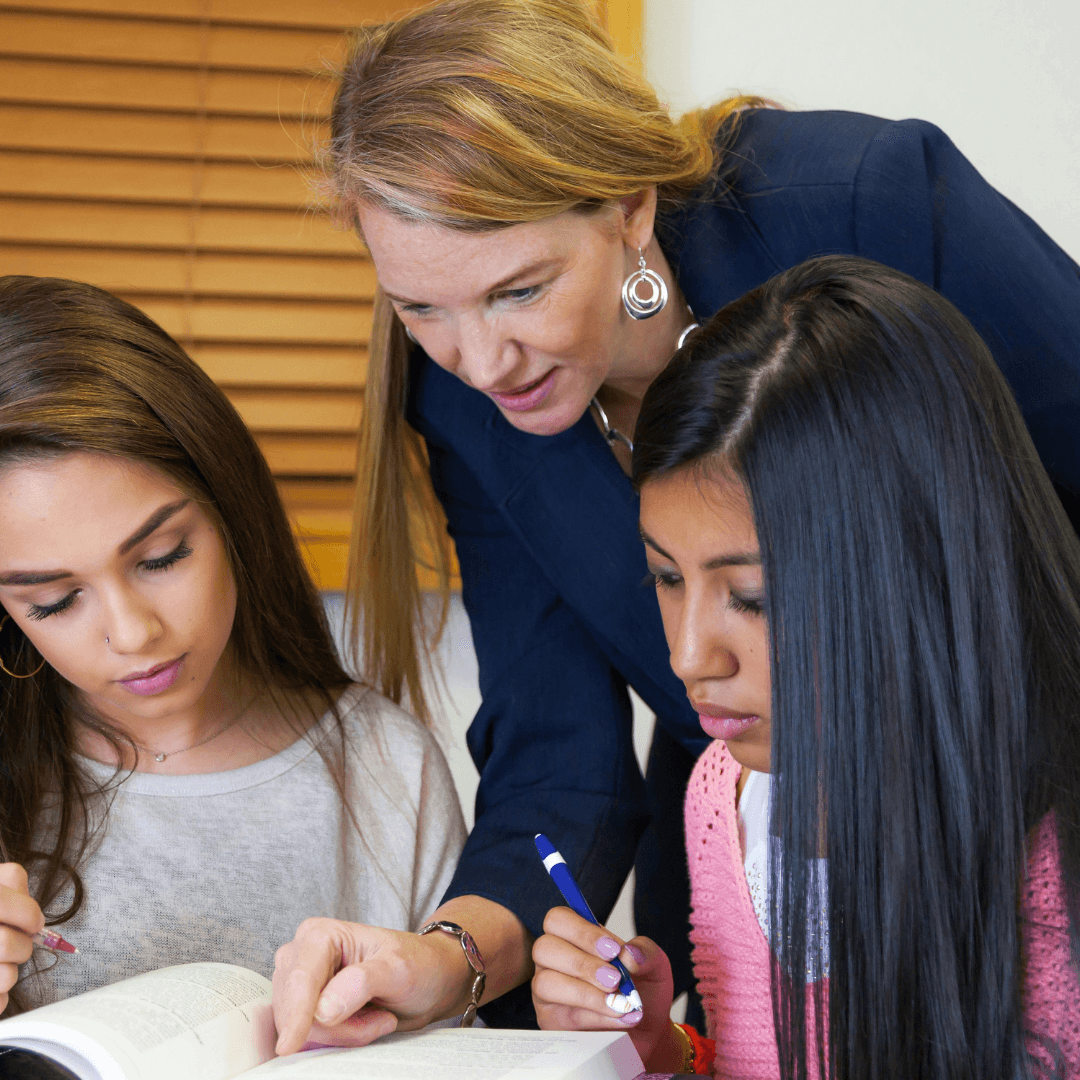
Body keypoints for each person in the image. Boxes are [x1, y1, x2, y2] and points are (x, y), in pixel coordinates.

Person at [271, 0, 1080, 1045]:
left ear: (630, 210)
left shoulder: (860, 204)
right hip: (758, 858)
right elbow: (559, 752)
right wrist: (446, 958)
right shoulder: (464, 407)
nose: (479, 363)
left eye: (520, 291)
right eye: (421, 310)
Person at [530, 255, 1080, 1079]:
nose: (688, 657)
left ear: (915, 569)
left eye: (751, 597)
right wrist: (660, 1052)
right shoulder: (723, 795)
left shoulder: (1050, 847)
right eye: (667, 579)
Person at [0, 275, 465, 1031]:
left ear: (229, 511)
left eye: (161, 557)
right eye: (53, 602)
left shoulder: (387, 768)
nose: (133, 632)